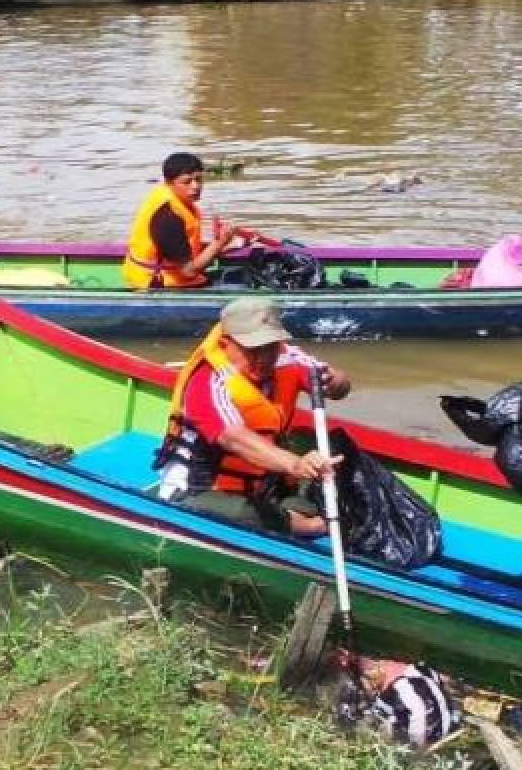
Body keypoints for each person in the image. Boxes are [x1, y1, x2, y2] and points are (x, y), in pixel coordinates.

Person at [154, 296, 351, 536]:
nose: (264, 358)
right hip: (197, 491)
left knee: (329, 471)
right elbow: (234, 438)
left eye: (270, 347)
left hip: (261, 487)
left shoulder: (286, 356)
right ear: (227, 343)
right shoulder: (208, 382)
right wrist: (296, 464)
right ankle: (307, 526)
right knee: (245, 514)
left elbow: (341, 385)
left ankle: (290, 515)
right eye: (253, 350)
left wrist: (334, 382)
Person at [123, 152, 240, 289]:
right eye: (187, 182)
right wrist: (218, 244)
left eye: (198, 179)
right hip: (156, 284)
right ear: (169, 183)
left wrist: (218, 244)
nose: (196, 186)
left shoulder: (177, 200)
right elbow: (188, 272)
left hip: (176, 274)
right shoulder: (168, 217)